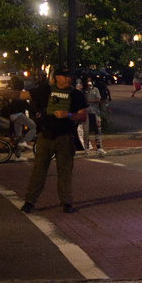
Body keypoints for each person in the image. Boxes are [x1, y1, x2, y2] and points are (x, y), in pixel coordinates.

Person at [21, 67, 87, 214]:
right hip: (45, 136)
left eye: (69, 76)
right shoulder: (45, 90)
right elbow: (22, 95)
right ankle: (29, 201)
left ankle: (66, 202)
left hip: (65, 137)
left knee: (65, 171)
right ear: (57, 77)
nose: (68, 79)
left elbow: (83, 116)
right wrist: (1, 93)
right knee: (39, 170)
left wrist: (68, 114)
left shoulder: (75, 95)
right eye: (64, 76)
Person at [8, 76, 36, 162]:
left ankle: (18, 156)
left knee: (18, 136)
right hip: (19, 115)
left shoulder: (13, 94)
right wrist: (35, 112)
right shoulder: (20, 94)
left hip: (12, 116)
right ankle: (24, 142)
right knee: (34, 126)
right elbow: (26, 105)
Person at [81, 77, 105, 155]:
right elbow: (82, 100)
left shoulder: (95, 90)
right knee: (86, 130)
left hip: (95, 112)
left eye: (90, 81)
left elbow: (98, 99)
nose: (89, 83)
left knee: (97, 129)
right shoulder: (83, 91)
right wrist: (86, 91)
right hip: (86, 112)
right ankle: (86, 147)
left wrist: (89, 101)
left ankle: (99, 147)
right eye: (88, 81)